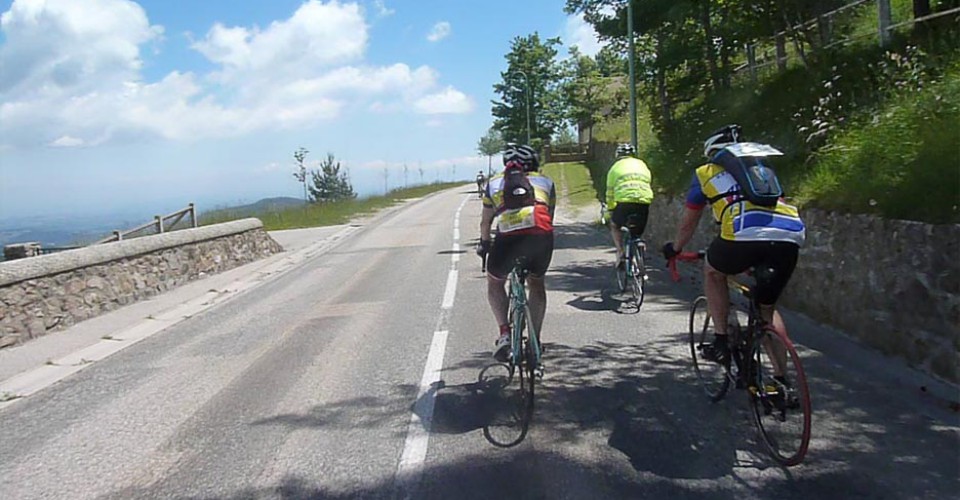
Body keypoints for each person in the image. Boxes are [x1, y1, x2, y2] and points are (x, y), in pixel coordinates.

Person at [662, 124, 805, 366]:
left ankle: (720, 342)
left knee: (712, 271)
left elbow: (689, 222)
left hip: (742, 234)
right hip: (789, 233)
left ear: (713, 153)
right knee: (767, 309)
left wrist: (675, 248)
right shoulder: (761, 170)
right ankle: (782, 384)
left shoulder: (706, 172)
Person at [476, 144, 556, 361]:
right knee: (536, 284)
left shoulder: (493, 183)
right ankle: (534, 341)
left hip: (508, 239)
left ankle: (504, 334)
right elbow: (550, 215)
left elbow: (486, 222)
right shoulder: (546, 182)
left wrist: (484, 244)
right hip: (540, 234)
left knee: (495, 282)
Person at [604, 143, 654, 267]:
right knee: (637, 231)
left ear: (618, 155)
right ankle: (639, 245)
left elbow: (610, 193)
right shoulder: (642, 165)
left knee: (615, 225)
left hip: (624, 202)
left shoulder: (614, 168)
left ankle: (620, 252)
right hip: (643, 201)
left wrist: (610, 209)